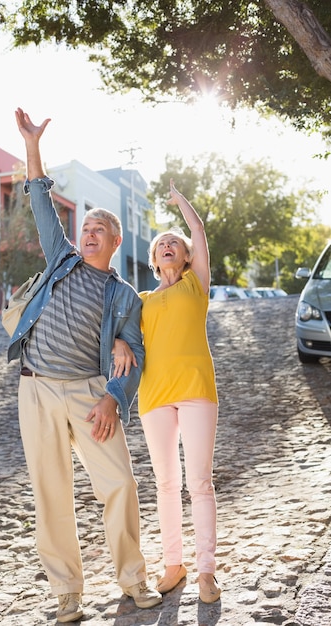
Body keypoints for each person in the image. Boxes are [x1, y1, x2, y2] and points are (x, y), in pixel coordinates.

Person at [8, 108, 162, 623]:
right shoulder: (61, 258)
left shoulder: (124, 296)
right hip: (36, 389)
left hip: (90, 392)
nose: (90, 232)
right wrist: (32, 145)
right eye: (87, 226)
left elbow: (132, 355)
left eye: (100, 229)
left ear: (116, 243)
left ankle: (133, 579)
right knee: (50, 490)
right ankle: (67, 592)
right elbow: (39, 200)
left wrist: (113, 399)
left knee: (119, 482)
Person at [138, 179, 221, 604]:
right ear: (154, 259)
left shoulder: (197, 286)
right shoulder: (142, 301)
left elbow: (200, 230)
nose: (168, 245)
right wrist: (118, 341)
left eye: (175, 242)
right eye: (161, 244)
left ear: (187, 256)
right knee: (167, 484)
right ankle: (174, 564)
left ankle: (206, 570)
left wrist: (180, 203)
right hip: (153, 397)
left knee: (200, 483)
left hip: (196, 392)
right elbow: (123, 339)